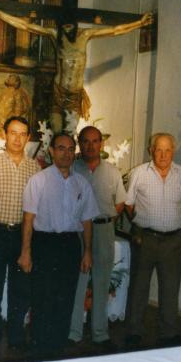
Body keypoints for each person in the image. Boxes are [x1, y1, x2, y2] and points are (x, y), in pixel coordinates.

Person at [0, 0, 153, 132]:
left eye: (69, 25)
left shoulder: (85, 35)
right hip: (58, 91)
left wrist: (140, 23)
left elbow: (115, 30)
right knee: (56, 132)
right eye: (63, 26)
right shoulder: (54, 35)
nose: (66, 29)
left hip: (74, 95)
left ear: (75, 24)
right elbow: (25, 26)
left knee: (70, 133)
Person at [18, 133, 99, 358]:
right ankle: (39, 349)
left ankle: (58, 349)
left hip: (69, 245)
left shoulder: (81, 183)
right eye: (61, 148)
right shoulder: (39, 180)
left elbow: (87, 220)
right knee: (42, 297)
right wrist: (26, 251)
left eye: (70, 149)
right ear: (52, 151)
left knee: (66, 298)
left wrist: (87, 251)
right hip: (44, 243)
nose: (66, 153)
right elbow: (28, 218)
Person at [0, 116, 41, 361]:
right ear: (4, 135)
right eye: (13, 133)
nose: (17, 138)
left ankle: (16, 336)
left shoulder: (35, 169)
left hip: (22, 236)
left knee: (20, 289)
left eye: (22, 134)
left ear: (28, 138)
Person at [125, 133, 181, 346]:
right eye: (158, 150)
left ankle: (168, 333)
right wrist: (139, 224)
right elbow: (128, 204)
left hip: (173, 241)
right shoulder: (139, 174)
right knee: (139, 286)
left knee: (170, 288)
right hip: (145, 239)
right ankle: (134, 331)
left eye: (167, 150)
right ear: (151, 150)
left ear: (173, 151)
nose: (163, 155)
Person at [68, 126, 127, 348]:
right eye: (86, 141)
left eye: (95, 141)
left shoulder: (112, 172)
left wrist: (105, 219)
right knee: (78, 282)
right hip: (78, 231)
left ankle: (100, 334)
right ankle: (74, 333)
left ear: (101, 144)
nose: (90, 146)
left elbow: (120, 202)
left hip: (103, 230)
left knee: (102, 282)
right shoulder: (71, 169)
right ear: (79, 143)